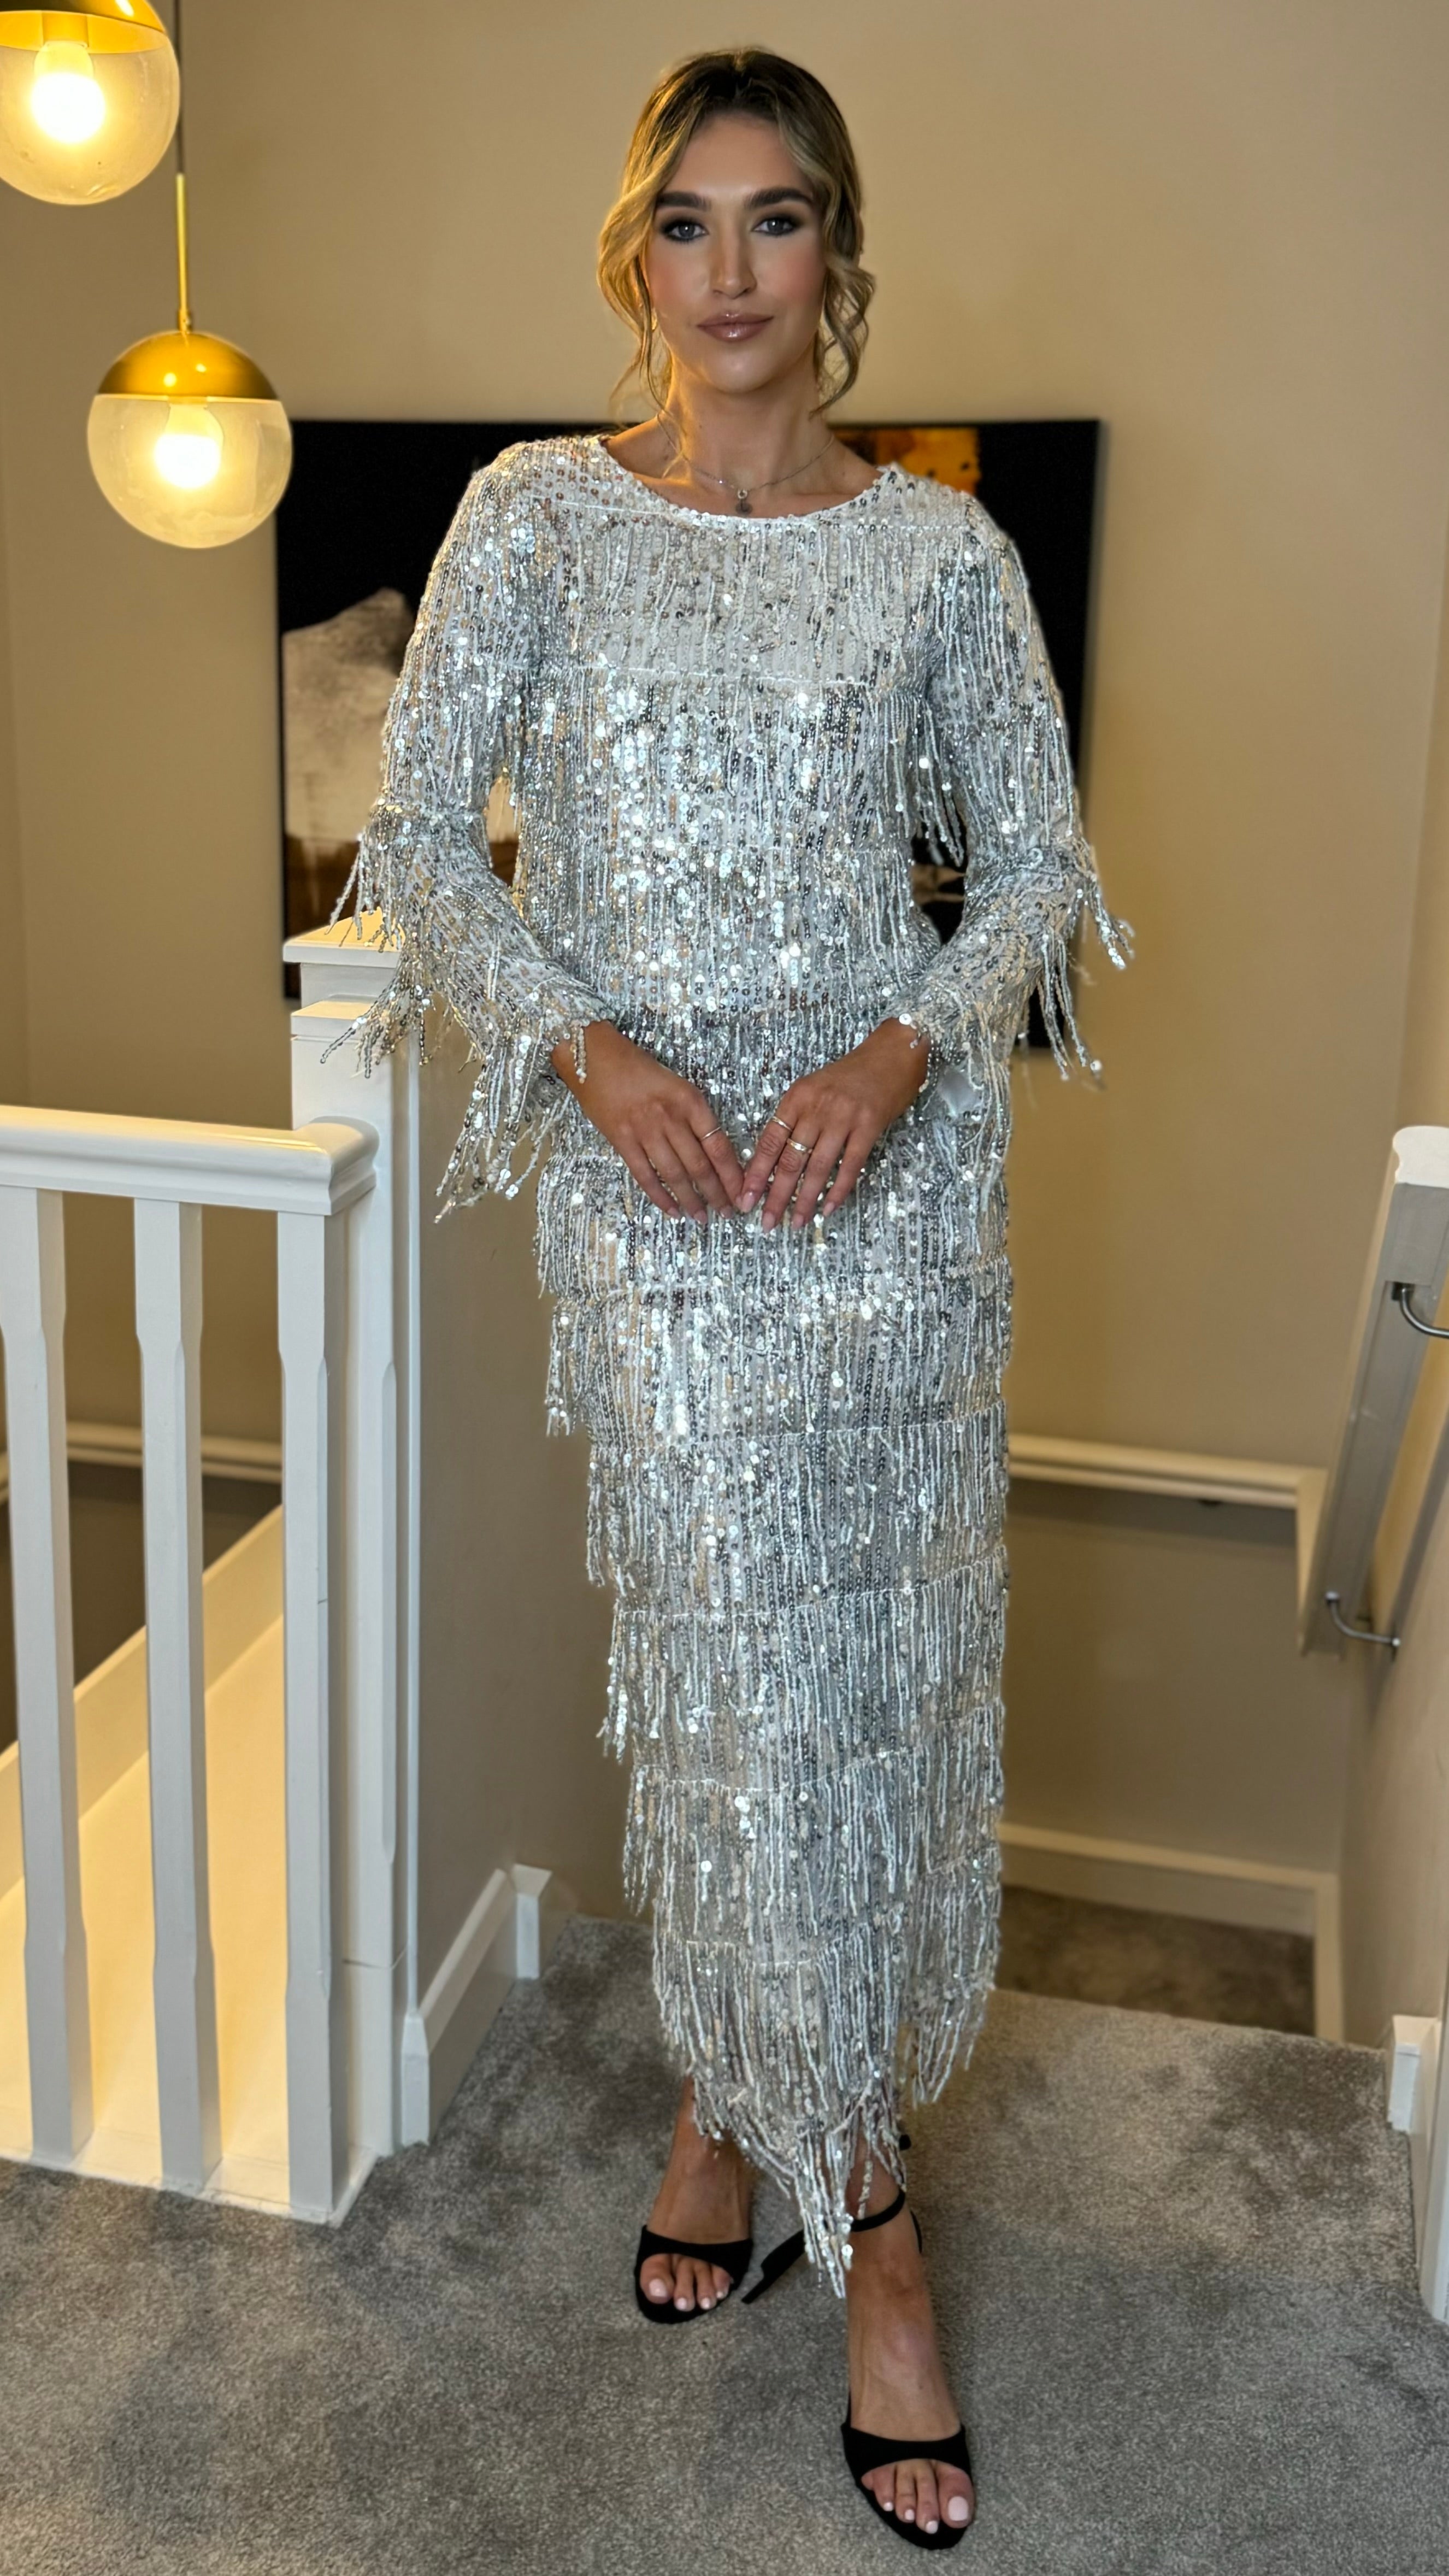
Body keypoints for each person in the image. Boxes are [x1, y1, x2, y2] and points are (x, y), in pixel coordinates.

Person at [335, 45, 1124, 2549]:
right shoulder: (533, 519)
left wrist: (896, 1057)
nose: (731, 270)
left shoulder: (943, 560)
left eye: (776, 220)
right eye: (686, 223)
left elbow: (1038, 874)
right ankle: (873, 2224)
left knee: (855, 1705)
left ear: (837, 257)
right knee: (736, 1690)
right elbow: (419, 845)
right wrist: (590, 1054)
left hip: (885, 1204)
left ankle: (732, 2104)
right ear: (637, 259)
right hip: (661, 1198)